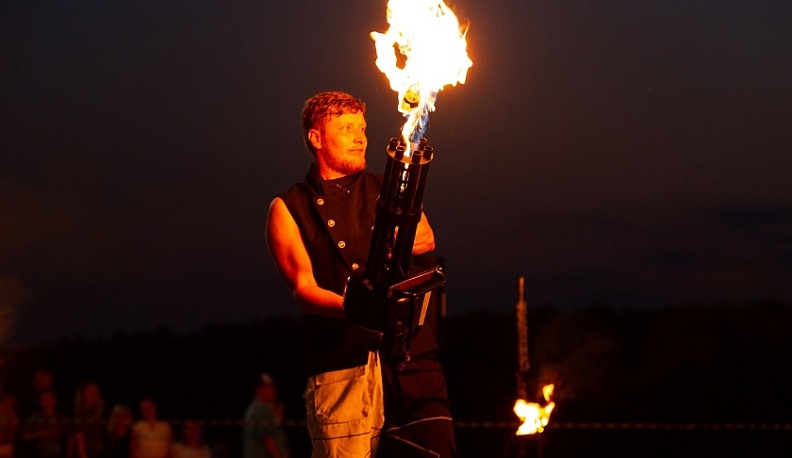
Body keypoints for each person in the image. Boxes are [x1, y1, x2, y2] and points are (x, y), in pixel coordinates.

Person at [265, 91, 457, 457]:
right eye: (347, 128)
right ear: (316, 138)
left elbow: (426, 238)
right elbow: (303, 288)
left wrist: (404, 236)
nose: (360, 137)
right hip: (341, 366)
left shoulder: (388, 185)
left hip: (411, 358)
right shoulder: (289, 207)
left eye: (363, 128)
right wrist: (356, 308)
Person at [242, 374, 289, 458]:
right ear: (258, 390)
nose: (272, 390)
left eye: (272, 387)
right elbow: (268, 439)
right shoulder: (260, 409)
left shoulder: (265, 408)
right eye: (268, 388)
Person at [20, 390, 66, 458]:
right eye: (45, 399)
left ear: (55, 400)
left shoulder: (60, 417)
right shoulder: (34, 417)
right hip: (37, 454)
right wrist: (37, 434)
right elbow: (24, 436)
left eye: (50, 398)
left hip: (55, 454)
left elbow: (52, 433)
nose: (47, 401)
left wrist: (41, 433)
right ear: (41, 402)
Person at [67, 382, 105, 458]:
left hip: (96, 453)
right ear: (83, 394)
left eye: (95, 392)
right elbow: (79, 439)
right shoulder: (79, 414)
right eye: (90, 392)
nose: (94, 394)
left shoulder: (97, 414)